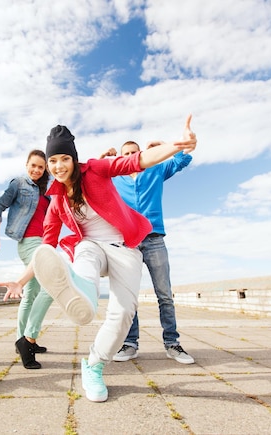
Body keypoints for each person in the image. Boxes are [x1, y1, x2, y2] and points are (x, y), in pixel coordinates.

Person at [0, 116, 196, 402]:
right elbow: (46, 247)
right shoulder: (56, 201)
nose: (57, 166)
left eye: (64, 159)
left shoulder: (96, 169)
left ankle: (93, 364)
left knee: (125, 312)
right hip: (89, 246)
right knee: (85, 257)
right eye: (53, 161)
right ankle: (84, 298)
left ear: (73, 159)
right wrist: (20, 280)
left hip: (124, 246)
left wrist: (176, 146)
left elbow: (136, 162)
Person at [101, 137, 195, 364]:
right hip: (127, 243)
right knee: (128, 296)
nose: (131, 156)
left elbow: (182, 160)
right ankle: (130, 344)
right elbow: (89, 179)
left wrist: (165, 146)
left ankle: (172, 343)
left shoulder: (155, 169)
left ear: (141, 153)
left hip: (154, 240)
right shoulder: (115, 179)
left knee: (164, 294)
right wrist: (103, 159)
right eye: (126, 154)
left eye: (135, 152)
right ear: (121, 158)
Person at [0, 149, 54, 369]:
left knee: (32, 293)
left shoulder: (48, 187)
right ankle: (28, 339)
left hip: (43, 242)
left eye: (41, 167)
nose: (36, 170)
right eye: (33, 165)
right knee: (51, 288)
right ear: (26, 164)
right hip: (28, 242)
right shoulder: (18, 183)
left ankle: (21, 340)